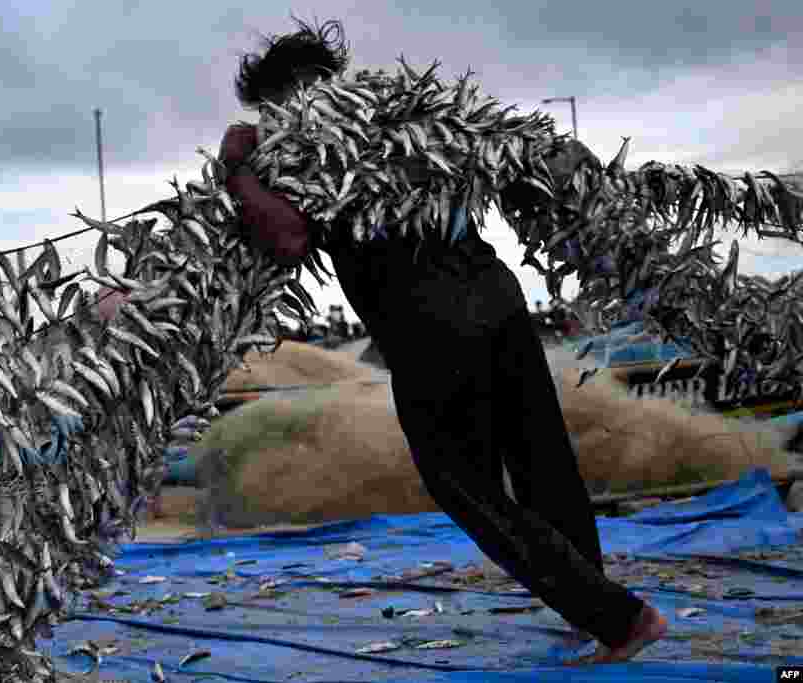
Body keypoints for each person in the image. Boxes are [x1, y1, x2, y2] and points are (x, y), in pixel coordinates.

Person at [218, 17, 667, 663]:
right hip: (499, 301)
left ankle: (618, 618)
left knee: (465, 487)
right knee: (542, 460)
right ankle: (590, 607)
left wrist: (239, 171)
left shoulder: (306, 147)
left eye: (268, 106)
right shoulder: (406, 117)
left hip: (428, 330)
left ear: (282, 97)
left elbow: (287, 239)